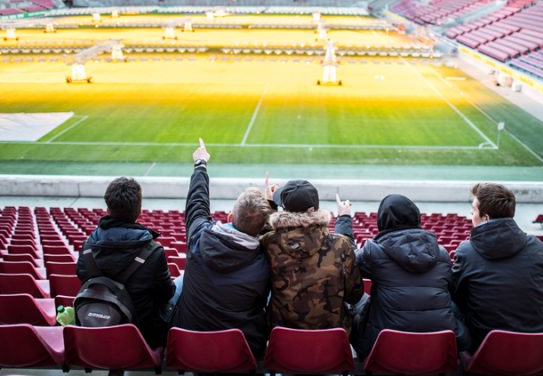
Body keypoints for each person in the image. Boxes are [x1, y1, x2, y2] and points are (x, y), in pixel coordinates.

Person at [172, 138, 273, 358]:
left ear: (229, 217)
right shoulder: (266, 260)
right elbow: (273, 235)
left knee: (181, 279)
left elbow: (197, 204)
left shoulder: (199, 238)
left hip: (189, 345)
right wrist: (271, 206)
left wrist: (201, 164)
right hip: (241, 350)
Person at [351, 194, 470, 358]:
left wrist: (344, 219)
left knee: (353, 304)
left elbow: (346, 261)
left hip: (385, 346)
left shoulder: (374, 253)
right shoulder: (441, 254)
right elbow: (452, 293)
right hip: (438, 344)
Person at [451, 182, 543, 352]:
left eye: (474, 210)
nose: (471, 214)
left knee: (445, 303)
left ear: (486, 217)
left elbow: (456, 295)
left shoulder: (467, 251)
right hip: (537, 348)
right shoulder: (538, 247)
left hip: (487, 348)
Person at [76, 177, 175, 348]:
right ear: (140, 211)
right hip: (143, 336)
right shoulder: (153, 251)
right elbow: (167, 293)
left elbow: (84, 278)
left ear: (107, 209)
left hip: (98, 331)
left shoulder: (87, 247)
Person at [261, 180, 363, 333]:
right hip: (332, 337)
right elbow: (354, 296)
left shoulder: (268, 242)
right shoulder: (341, 244)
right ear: (312, 209)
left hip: (281, 335)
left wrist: (269, 205)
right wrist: (344, 219)